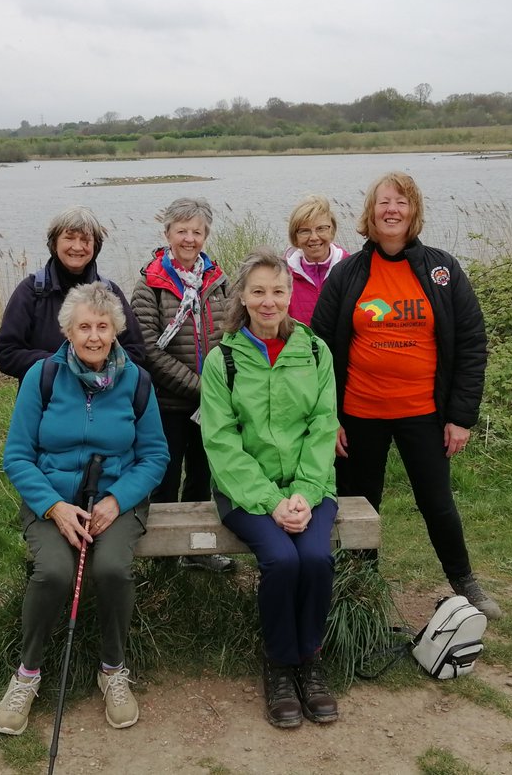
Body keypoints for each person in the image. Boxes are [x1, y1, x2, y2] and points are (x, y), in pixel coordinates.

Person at [311, 172, 502, 619]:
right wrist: (327, 418)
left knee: (437, 502)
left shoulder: (441, 270)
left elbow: (471, 344)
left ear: (413, 211)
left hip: (424, 413)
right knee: (361, 506)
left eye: (401, 202)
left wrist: (461, 417)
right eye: (383, 202)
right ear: (371, 213)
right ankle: (361, 588)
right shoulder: (347, 273)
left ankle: (464, 581)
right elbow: (318, 350)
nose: (392, 210)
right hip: (359, 413)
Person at [0, 282, 168, 735]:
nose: (94, 336)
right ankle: (27, 674)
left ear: (116, 331)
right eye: (84, 327)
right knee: (54, 571)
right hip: (51, 498)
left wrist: (118, 499)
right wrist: (53, 506)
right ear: (68, 331)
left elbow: (155, 456)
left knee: (111, 569)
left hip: (115, 500)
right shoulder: (43, 376)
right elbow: (17, 456)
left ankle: (113, 668)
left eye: (103, 327)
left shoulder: (137, 381)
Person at [200, 248, 339, 728]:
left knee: (316, 558)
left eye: (278, 291)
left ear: (289, 294)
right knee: (281, 560)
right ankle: (280, 664)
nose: (268, 301)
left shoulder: (315, 351)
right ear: (241, 296)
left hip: (311, 487)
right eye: (257, 291)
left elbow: (323, 426)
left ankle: (310, 660)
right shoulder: (222, 360)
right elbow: (221, 442)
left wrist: (304, 492)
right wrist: (272, 501)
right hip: (244, 491)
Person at [130, 197, 234, 572]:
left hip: (212, 405)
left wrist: (220, 388)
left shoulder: (218, 281)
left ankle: (197, 552)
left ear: (205, 235)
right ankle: (163, 560)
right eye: (182, 231)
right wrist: (202, 387)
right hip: (168, 404)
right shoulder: (150, 285)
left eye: (197, 231)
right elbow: (148, 350)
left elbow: (232, 335)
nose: (189, 239)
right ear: (167, 233)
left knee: (204, 479)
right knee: (166, 480)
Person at [0, 205, 146, 381]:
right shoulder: (32, 291)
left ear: (95, 246)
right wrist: (65, 364)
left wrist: (99, 365)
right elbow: (6, 353)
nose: (77, 247)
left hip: (103, 394)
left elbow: (136, 351)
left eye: (85, 240)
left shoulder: (110, 292)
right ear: (54, 243)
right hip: (46, 393)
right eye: (69, 238)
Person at [285, 195, 349, 325]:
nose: (314, 237)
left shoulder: (351, 270)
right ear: (295, 237)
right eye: (305, 231)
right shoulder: (283, 275)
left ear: (332, 231)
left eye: (321, 228)